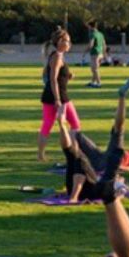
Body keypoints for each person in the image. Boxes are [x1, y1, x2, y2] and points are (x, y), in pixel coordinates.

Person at [57, 80, 129, 202]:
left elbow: (120, 192)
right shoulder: (112, 176)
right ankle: (62, 125)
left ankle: (73, 197)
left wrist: (127, 169)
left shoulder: (118, 183)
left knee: (78, 158)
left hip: (104, 169)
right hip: (97, 164)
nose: (121, 178)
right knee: (74, 145)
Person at [73, 79, 129, 174]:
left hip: (112, 160)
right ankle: (72, 161)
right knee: (76, 134)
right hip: (101, 158)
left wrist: (118, 167)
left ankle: (122, 96)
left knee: (119, 130)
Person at [38, 27, 81, 162]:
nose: (70, 44)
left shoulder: (57, 56)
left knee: (48, 125)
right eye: (67, 41)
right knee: (74, 124)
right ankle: (73, 153)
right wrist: (57, 99)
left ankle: (41, 155)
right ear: (60, 42)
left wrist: (68, 75)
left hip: (54, 96)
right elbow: (52, 78)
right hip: (59, 97)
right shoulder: (56, 56)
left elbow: (57, 75)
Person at [84, 20, 106, 88]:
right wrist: (104, 54)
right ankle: (93, 82)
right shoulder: (100, 34)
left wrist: (85, 51)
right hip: (100, 53)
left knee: (94, 69)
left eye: (88, 26)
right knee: (95, 68)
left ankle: (99, 83)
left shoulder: (92, 34)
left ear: (91, 26)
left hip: (95, 53)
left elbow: (91, 44)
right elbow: (104, 44)